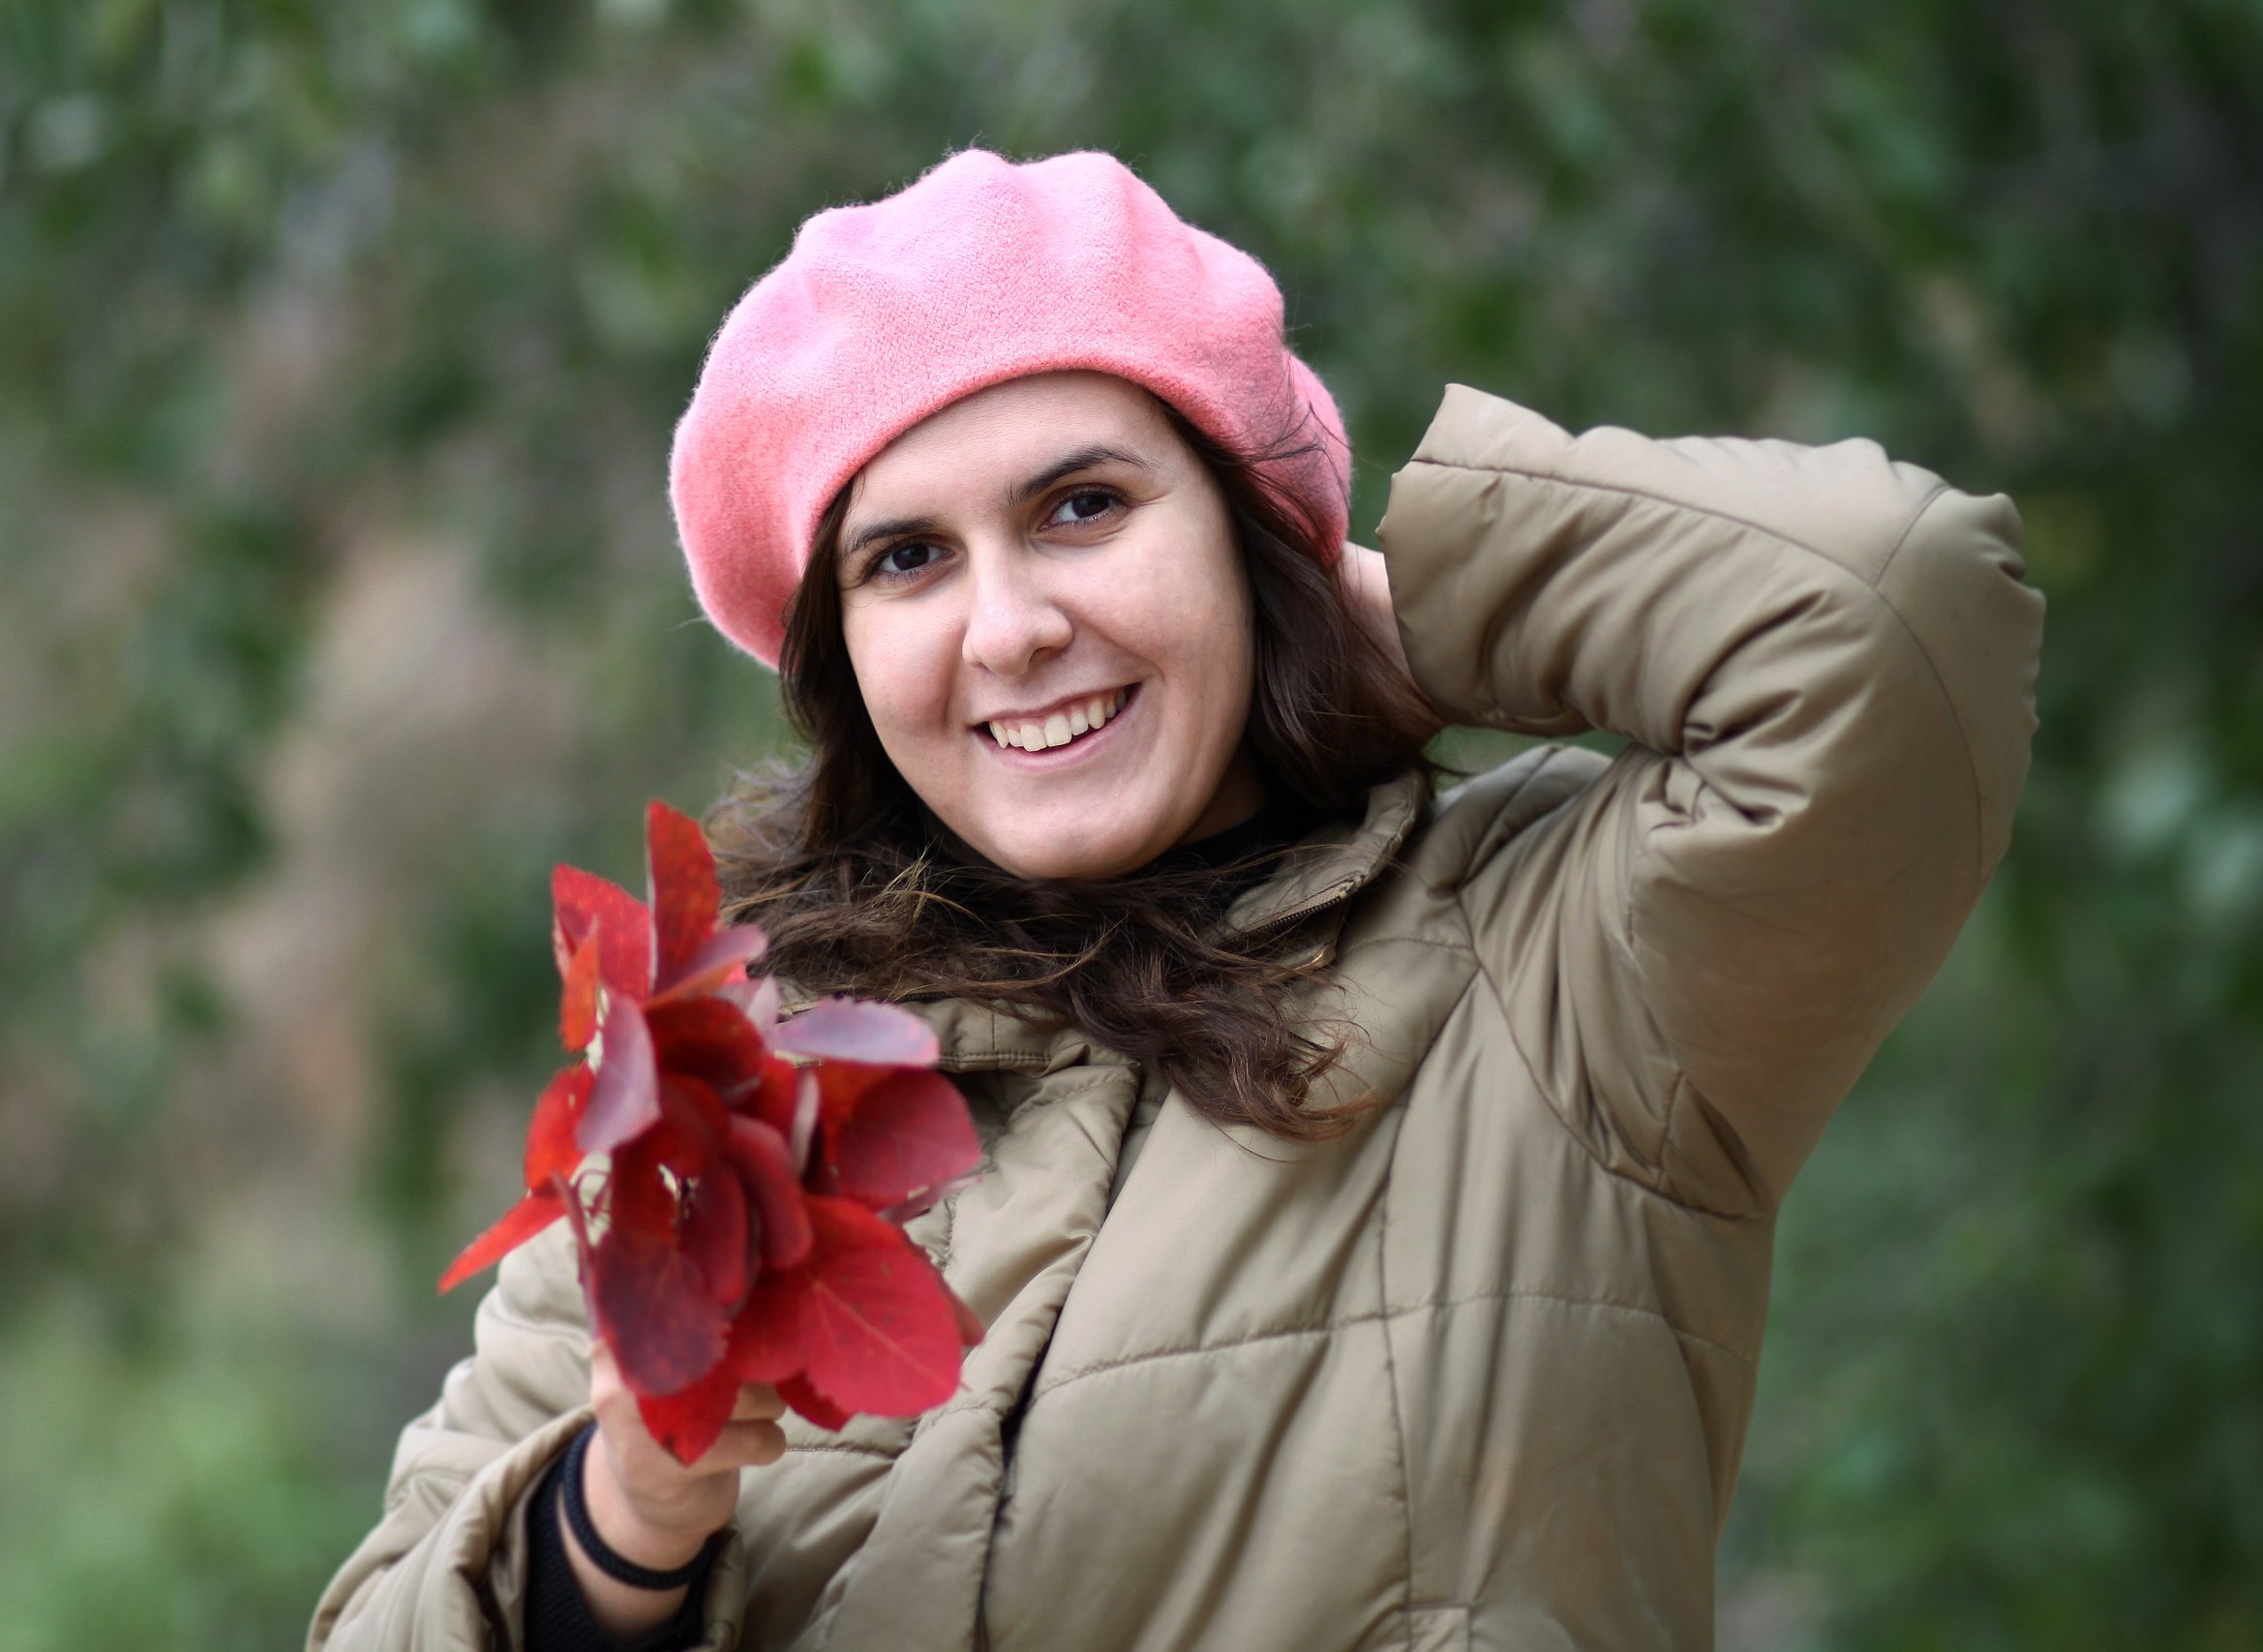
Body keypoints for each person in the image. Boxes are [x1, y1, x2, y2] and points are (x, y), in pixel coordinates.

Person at [310, 149, 2043, 1652]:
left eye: (1084, 508)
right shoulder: (735, 1101)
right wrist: (622, 1523)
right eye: (907, 559)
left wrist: (1385, 617)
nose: (1009, 630)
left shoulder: (1561, 961)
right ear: (844, 660)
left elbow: (1891, 616)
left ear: (1246, 532)